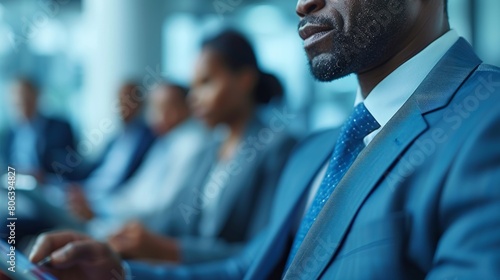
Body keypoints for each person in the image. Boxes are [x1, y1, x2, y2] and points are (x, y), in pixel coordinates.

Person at [26, 0, 500, 279]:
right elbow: (245, 270)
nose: (301, 4)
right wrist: (120, 273)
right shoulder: (315, 152)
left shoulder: (485, 120)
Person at [106, 30, 296, 265]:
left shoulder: (277, 148)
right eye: (192, 86)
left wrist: (169, 251)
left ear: (245, 80)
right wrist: (130, 236)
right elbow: (174, 219)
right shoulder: (211, 149)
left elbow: (263, 254)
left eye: (206, 82)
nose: (193, 98)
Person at [69, 83, 209, 239]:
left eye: (167, 108)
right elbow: (134, 192)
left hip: (147, 233)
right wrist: (98, 206)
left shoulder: (192, 145)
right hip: (120, 219)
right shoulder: (165, 142)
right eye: (156, 109)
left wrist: (98, 210)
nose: (159, 116)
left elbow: (160, 209)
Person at [68, 82, 156, 201]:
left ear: (140, 103)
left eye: (128, 99)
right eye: (120, 99)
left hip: (109, 201)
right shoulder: (116, 138)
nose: (122, 104)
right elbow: (94, 169)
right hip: (88, 191)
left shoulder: (149, 138)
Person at [1, 78, 76, 182]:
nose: (22, 107)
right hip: (17, 188)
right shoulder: (10, 134)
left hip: (51, 187)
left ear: (36, 97)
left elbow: (71, 165)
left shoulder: (60, 129)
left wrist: (45, 176)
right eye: (17, 104)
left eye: (26, 100)